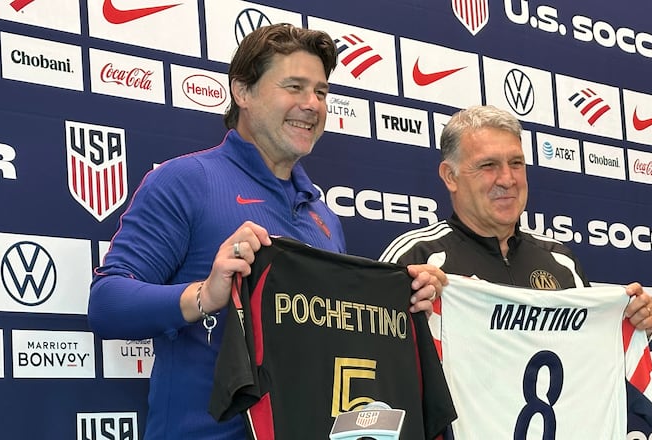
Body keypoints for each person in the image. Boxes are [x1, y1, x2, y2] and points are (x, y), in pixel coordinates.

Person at [88, 23, 445, 440]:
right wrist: (207, 294)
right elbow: (106, 304)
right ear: (242, 91)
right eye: (294, 87)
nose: (312, 104)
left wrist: (402, 304)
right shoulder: (187, 180)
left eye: (322, 92)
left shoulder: (324, 219)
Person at [379, 104, 652, 335]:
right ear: (450, 176)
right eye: (488, 166)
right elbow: (378, 357)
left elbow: (590, 357)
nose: (507, 179)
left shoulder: (562, 262)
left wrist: (632, 328)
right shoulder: (414, 258)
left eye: (516, 163)